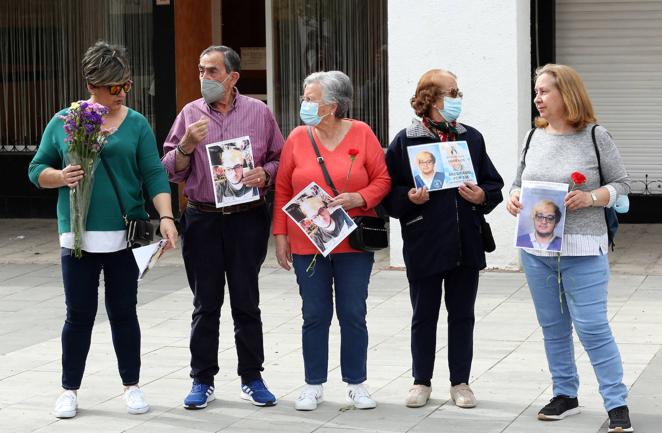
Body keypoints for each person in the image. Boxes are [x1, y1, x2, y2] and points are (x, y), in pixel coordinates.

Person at [27, 41, 178, 419]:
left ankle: (132, 386)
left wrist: (166, 217)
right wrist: (60, 176)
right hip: (76, 236)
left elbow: (154, 173)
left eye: (125, 85)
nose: (122, 93)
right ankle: (69, 390)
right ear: (92, 83)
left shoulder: (136, 123)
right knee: (78, 314)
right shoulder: (65, 120)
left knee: (124, 311)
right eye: (115, 87)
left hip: (125, 235)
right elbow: (36, 169)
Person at [506, 63, 633, 433]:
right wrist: (514, 198)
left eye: (544, 91)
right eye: (536, 92)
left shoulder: (596, 135)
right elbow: (517, 183)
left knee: (592, 327)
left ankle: (616, 401)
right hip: (535, 249)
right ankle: (565, 395)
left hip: (583, 247)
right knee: (552, 327)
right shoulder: (534, 136)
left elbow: (622, 184)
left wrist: (593, 197)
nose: (538, 99)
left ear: (567, 94)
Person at [161, 45, 284, 409]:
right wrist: (185, 146)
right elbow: (170, 168)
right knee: (205, 303)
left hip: (247, 218)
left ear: (232, 77)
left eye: (212, 71)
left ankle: (252, 376)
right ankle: (202, 379)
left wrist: (265, 174)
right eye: (201, 70)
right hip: (203, 218)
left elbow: (279, 158)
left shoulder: (259, 113)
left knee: (247, 301)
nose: (204, 78)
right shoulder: (190, 114)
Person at [382, 69, 503, 409]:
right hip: (425, 240)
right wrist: (410, 198)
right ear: (431, 98)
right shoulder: (406, 140)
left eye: (458, 92)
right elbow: (387, 193)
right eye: (452, 92)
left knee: (462, 314)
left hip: (466, 240)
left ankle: (460, 382)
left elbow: (493, 184)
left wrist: (482, 195)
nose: (458, 98)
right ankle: (421, 381)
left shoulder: (471, 138)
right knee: (424, 313)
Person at [273, 70, 391, 411]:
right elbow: (282, 189)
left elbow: (383, 179)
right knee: (314, 313)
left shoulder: (362, 133)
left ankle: (357, 383)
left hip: (352, 241)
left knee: (353, 312)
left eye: (310, 99)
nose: (304, 104)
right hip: (307, 242)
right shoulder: (297, 137)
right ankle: (313, 384)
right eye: (305, 98)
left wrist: (361, 198)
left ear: (332, 105)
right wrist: (280, 234)